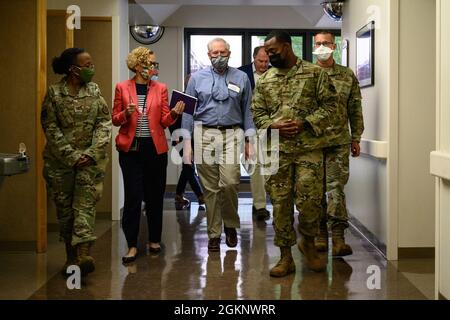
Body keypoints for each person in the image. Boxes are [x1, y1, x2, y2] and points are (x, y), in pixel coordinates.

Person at [252, 30, 338, 276]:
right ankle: (285, 257)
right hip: (276, 152)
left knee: (310, 201)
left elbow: (331, 106)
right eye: (267, 53)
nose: (269, 56)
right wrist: (273, 125)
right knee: (280, 204)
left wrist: (306, 122)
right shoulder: (265, 80)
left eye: (273, 51)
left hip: (308, 150)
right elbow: (257, 115)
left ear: (287, 47)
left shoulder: (314, 74)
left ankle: (308, 243)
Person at [41, 48, 112, 276]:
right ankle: (70, 258)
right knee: (65, 212)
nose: (92, 68)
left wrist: (91, 153)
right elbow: (50, 128)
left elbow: (104, 123)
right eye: (87, 64)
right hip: (60, 164)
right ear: (73, 69)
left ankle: (82, 254)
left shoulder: (94, 90)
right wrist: (72, 156)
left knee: (85, 207)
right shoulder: (54, 94)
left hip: (90, 163)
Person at [182, 38, 255, 252]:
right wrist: (187, 143)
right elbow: (188, 111)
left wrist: (249, 141)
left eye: (223, 52)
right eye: (215, 53)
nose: (219, 56)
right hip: (204, 133)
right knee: (210, 188)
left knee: (231, 182)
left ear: (229, 53)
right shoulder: (196, 79)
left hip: (233, 133)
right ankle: (214, 233)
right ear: (209, 55)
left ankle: (230, 224)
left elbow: (248, 110)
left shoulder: (241, 77)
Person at [113, 47, 185, 263]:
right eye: (151, 64)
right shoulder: (122, 87)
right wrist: (125, 113)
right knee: (133, 198)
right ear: (138, 66)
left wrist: (173, 114)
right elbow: (115, 119)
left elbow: (163, 121)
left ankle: (154, 240)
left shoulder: (160, 88)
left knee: (155, 197)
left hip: (155, 150)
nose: (154, 67)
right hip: (131, 151)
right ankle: (132, 245)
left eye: (155, 64)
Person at [312, 31, 364, 256]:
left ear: (334, 46)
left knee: (335, 190)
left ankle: (338, 237)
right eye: (318, 43)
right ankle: (319, 235)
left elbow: (355, 108)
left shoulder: (346, 75)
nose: (322, 46)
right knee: (314, 191)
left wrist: (356, 137)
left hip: (338, 142)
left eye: (326, 43)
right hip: (311, 144)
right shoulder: (307, 74)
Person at [238, 46, 271, 221]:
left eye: (267, 61)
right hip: (248, 127)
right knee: (255, 166)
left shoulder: (276, 73)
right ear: (253, 58)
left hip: (270, 128)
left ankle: (260, 202)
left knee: (268, 168)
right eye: (260, 61)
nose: (264, 65)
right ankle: (260, 205)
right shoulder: (240, 74)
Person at [169, 74, 205, 210]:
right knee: (189, 166)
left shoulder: (200, 99)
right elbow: (171, 119)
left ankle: (179, 194)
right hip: (180, 137)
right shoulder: (179, 99)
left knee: (187, 167)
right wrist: (174, 136)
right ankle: (200, 195)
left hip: (195, 137)